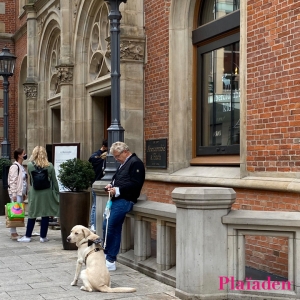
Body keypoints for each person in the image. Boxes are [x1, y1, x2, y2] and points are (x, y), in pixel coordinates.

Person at [103, 141, 145, 271]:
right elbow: (117, 179)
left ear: (125, 152)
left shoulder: (136, 163)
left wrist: (117, 189)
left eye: (117, 156)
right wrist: (111, 185)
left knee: (112, 226)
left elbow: (135, 184)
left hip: (125, 200)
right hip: (117, 199)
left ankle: (110, 259)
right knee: (107, 225)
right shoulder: (125, 163)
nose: (116, 159)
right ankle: (107, 255)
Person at [18, 146, 60, 243]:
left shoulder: (29, 165)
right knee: (45, 214)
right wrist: (57, 192)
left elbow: (31, 180)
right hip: (46, 192)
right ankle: (43, 237)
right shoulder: (50, 165)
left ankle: (28, 236)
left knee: (32, 213)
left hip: (35, 192)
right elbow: (54, 181)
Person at [7, 148, 28, 240]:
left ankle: (14, 232)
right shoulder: (14, 167)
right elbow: (13, 181)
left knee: (17, 212)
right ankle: (13, 233)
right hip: (16, 193)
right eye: (24, 153)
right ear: (19, 155)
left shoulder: (21, 167)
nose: (25, 155)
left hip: (20, 192)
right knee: (14, 212)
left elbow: (23, 181)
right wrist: (14, 194)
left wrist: (24, 192)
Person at [88, 139, 108, 232]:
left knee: (95, 205)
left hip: (97, 183)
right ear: (104, 147)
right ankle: (93, 224)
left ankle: (94, 225)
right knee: (96, 205)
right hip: (98, 183)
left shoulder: (94, 156)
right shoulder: (97, 157)